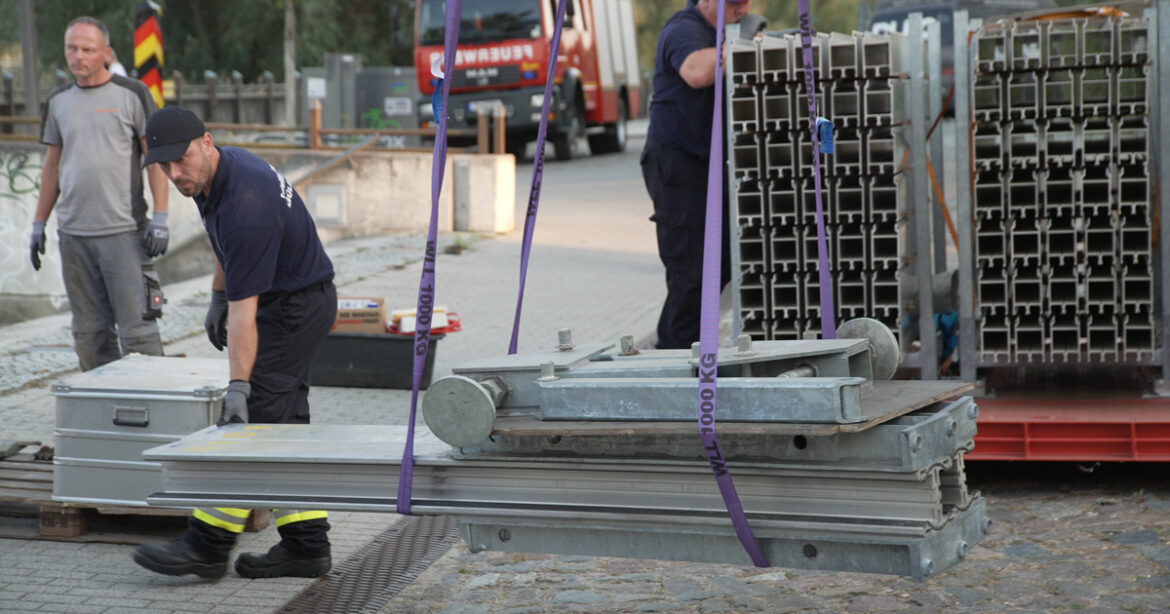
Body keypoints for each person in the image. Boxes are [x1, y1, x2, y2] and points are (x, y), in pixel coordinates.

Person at [130, 106, 338, 580]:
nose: (175, 174)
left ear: (206, 141)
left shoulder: (246, 204)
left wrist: (239, 387)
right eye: (165, 166)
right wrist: (217, 294)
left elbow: (247, 314)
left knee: (251, 424)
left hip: (291, 310)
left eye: (181, 160)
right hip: (292, 299)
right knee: (283, 428)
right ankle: (307, 547)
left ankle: (207, 545)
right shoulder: (217, 175)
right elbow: (221, 244)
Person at [30, 16, 170, 371]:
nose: (78, 56)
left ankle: (154, 409)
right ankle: (102, 413)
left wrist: (161, 218)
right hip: (73, 234)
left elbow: (154, 160)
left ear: (106, 53)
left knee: (138, 333)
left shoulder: (133, 94)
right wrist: (38, 223)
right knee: (90, 336)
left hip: (123, 232)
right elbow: (52, 167)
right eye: (72, 48)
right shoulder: (58, 101)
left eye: (87, 49)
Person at [641, 0, 752, 349]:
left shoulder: (716, 31)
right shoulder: (684, 29)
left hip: (705, 166)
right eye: (735, 3)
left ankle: (692, 351)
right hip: (677, 165)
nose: (744, 9)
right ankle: (673, 357)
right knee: (691, 270)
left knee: (720, 263)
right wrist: (742, 45)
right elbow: (696, 72)